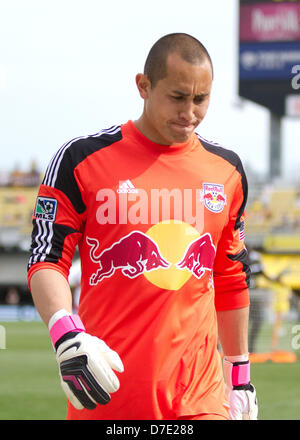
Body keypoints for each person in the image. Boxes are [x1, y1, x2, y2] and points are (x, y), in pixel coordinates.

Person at [27, 33, 257, 420]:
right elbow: (46, 260)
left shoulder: (227, 171)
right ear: (143, 86)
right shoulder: (82, 160)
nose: (190, 113)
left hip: (200, 398)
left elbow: (231, 278)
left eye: (201, 99)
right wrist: (65, 333)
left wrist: (240, 376)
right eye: (178, 97)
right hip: (107, 394)